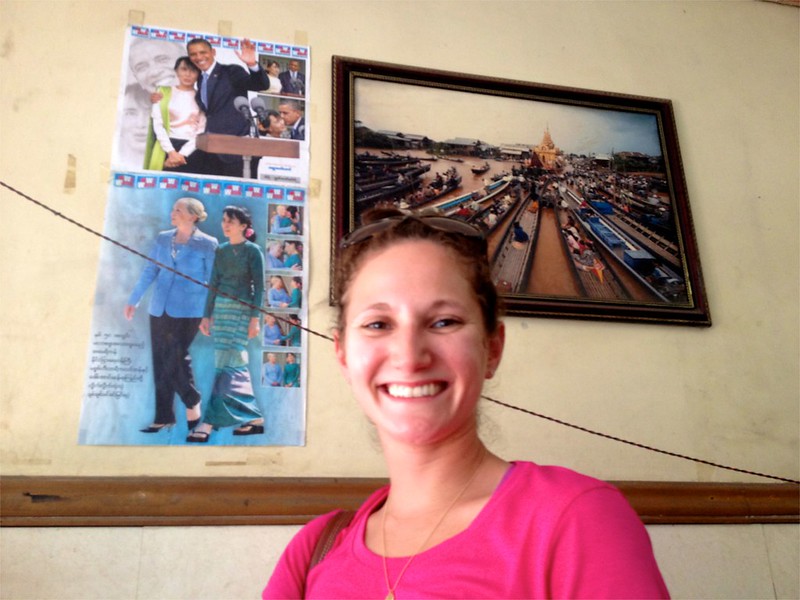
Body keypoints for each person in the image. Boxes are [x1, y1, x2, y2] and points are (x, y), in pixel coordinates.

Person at [263, 208, 669, 599]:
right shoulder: (314, 548)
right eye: (378, 324)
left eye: (444, 322)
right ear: (343, 356)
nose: (409, 356)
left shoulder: (577, 519)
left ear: (492, 348)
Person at [124, 198, 217, 433]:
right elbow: (150, 270)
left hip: (190, 310)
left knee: (175, 356)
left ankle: (191, 398)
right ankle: (164, 416)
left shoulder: (208, 244)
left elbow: (213, 281)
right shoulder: (163, 238)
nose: (172, 212)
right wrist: (134, 299)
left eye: (178, 210)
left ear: (193, 216)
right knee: (160, 360)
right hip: (159, 307)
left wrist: (208, 314)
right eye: (173, 208)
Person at [188, 206, 265, 443]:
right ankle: (254, 418)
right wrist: (206, 316)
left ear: (244, 225)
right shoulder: (221, 250)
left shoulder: (253, 251)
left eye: (230, 221)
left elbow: (260, 288)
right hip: (221, 312)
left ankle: (209, 422)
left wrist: (255, 319)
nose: (225, 225)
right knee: (234, 364)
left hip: (241, 312)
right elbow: (214, 284)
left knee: (226, 365)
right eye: (223, 220)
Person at [186, 37, 270, 177]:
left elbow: (260, 84)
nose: (198, 57)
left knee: (239, 192)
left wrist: (252, 65)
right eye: (193, 54)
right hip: (211, 151)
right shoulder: (200, 79)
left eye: (203, 52)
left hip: (238, 151)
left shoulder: (231, 72)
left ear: (213, 52)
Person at [144, 56, 207, 173]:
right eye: (184, 69)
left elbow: (201, 130)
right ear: (176, 71)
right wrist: (171, 152)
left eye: (193, 70)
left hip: (192, 149)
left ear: (199, 74)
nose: (188, 74)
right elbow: (158, 124)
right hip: (165, 146)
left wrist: (182, 154)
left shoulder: (202, 98)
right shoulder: (163, 92)